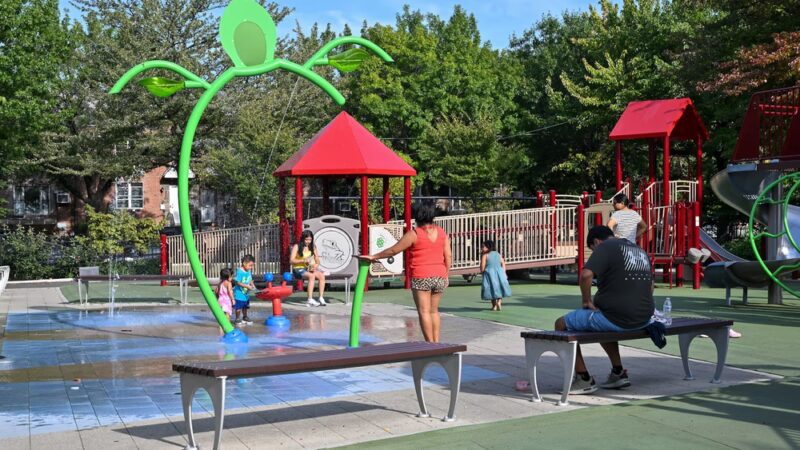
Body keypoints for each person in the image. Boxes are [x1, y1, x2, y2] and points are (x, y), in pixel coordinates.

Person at [555, 225, 654, 394]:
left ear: (596, 242)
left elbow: (586, 274)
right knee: (601, 317)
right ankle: (618, 373)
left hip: (620, 318)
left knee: (561, 324)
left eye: (592, 249)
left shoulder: (606, 246)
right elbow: (650, 286)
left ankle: (583, 378)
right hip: (645, 317)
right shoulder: (637, 249)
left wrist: (586, 300)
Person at [359, 203, 451, 343]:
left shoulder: (414, 234)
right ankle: (437, 342)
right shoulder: (442, 233)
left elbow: (393, 251)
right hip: (440, 275)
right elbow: (448, 256)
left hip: (422, 276)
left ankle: (430, 344)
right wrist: (446, 274)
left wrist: (374, 256)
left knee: (424, 312)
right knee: (434, 311)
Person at [290, 230, 327, 307]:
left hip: (308, 268)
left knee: (321, 276)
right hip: (298, 269)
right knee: (311, 276)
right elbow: (291, 260)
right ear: (303, 239)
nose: (308, 241)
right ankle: (309, 300)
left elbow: (317, 259)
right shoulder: (297, 246)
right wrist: (303, 260)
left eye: (310, 239)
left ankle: (321, 298)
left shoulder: (313, 246)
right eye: (306, 239)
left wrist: (316, 265)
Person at [479, 240, 512, 311]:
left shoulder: (485, 255)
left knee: (491, 289)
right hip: (499, 272)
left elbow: (482, 266)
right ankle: (499, 302)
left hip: (489, 273)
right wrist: (504, 272)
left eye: (483, 247)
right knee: (499, 287)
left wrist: (482, 272)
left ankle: (494, 306)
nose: (481, 248)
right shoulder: (497, 254)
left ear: (488, 247)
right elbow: (503, 263)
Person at [233, 254, 256, 325]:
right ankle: (237, 318)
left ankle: (245, 317)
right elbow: (237, 282)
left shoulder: (248, 271)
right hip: (239, 293)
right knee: (238, 307)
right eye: (250, 265)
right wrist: (246, 286)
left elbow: (250, 279)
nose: (251, 267)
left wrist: (253, 285)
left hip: (246, 294)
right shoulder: (239, 272)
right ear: (244, 263)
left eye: (252, 265)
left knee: (245, 306)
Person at [215, 268, 234, 335]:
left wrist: (218, 298)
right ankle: (227, 328)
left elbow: (216, 291)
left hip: (220, 300)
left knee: (222, 316)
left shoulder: (220, 283)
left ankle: (221, 331)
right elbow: (230, 292)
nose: (232, 278)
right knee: (227, 315)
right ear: (228, 276)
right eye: (231, 276)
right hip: (227, 300)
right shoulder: (229, 283)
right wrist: (233, 299)